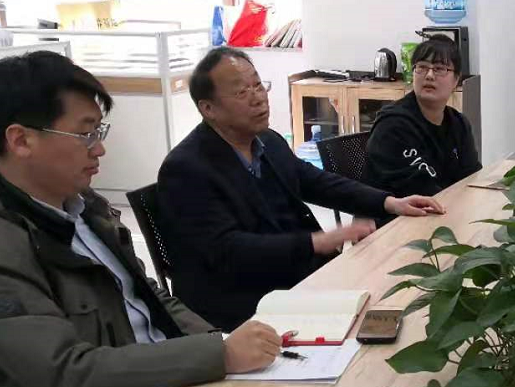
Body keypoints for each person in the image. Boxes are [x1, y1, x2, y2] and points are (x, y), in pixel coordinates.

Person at [0, 51, 283, 387]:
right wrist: (218, 356)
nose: (99, 149)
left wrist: (220, 343)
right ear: (21, 141)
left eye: (99, 132)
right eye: (85, 134)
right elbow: (62, 371)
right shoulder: (10, 244)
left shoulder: (86, 208)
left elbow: (149, 297)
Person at [157, 47, 445, 332]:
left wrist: (389, 202)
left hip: (297, 278)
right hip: (244, 302)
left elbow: (316, 182)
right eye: (242, 92)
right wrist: (315, 242)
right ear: (208, 108)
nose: (258, 98)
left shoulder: (268, 141)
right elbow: (227, 251)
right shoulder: (186, 169)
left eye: (258, 85)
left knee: (401, 294)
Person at [363, 35, 482, 210]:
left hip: (445, 209)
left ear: (456, 80)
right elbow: (419, 191)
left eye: (439, 69)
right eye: (422, 67)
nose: (429, 75)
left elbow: (471, 176)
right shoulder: (393, 125)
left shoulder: (459, 123)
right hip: (399, 218)